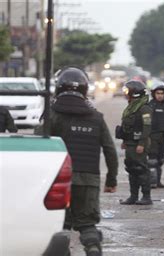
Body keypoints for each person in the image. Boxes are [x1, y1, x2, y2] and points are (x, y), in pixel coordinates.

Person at [36, 67, 118, 256]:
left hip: (59, 180)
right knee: (87, 223)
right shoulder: (96, 118)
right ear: (84, 89)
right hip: (89, 180)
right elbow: (110, 150)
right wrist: (111, 180)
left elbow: (39, 144)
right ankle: (93, 248)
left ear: (58, 88)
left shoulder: (53, 114)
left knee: (60, 224)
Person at [117, 80, 153, 205]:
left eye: (127, 91)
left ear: (134, 93)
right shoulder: (132, 106)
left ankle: (146, 196)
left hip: (139, 144)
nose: (125, 93)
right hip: (130, 143)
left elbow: (147, 127)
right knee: (131, 169)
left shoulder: (144, 108)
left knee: (141, 169)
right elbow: (127, 126)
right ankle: (133, 196)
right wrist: (124, 140)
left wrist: (142, 144)